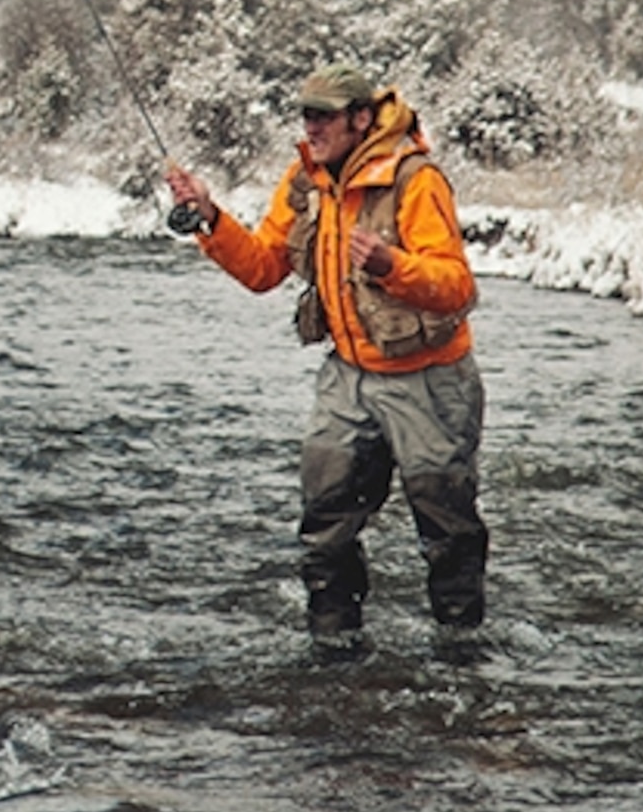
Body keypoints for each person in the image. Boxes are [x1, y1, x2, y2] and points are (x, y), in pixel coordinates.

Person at [162, 63, 488, 653]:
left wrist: (394, 267)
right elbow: (263, 269)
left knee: (448, 531)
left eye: (324, 116)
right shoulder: (305, 181)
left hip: (431, 381)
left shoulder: (417, 181)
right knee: (324, 526)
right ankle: (334, 654)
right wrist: (209, 218)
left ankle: (461, 657)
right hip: (348, 376)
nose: (311, 127)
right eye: (306, 115)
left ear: (361, 119)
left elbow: (458, 287)